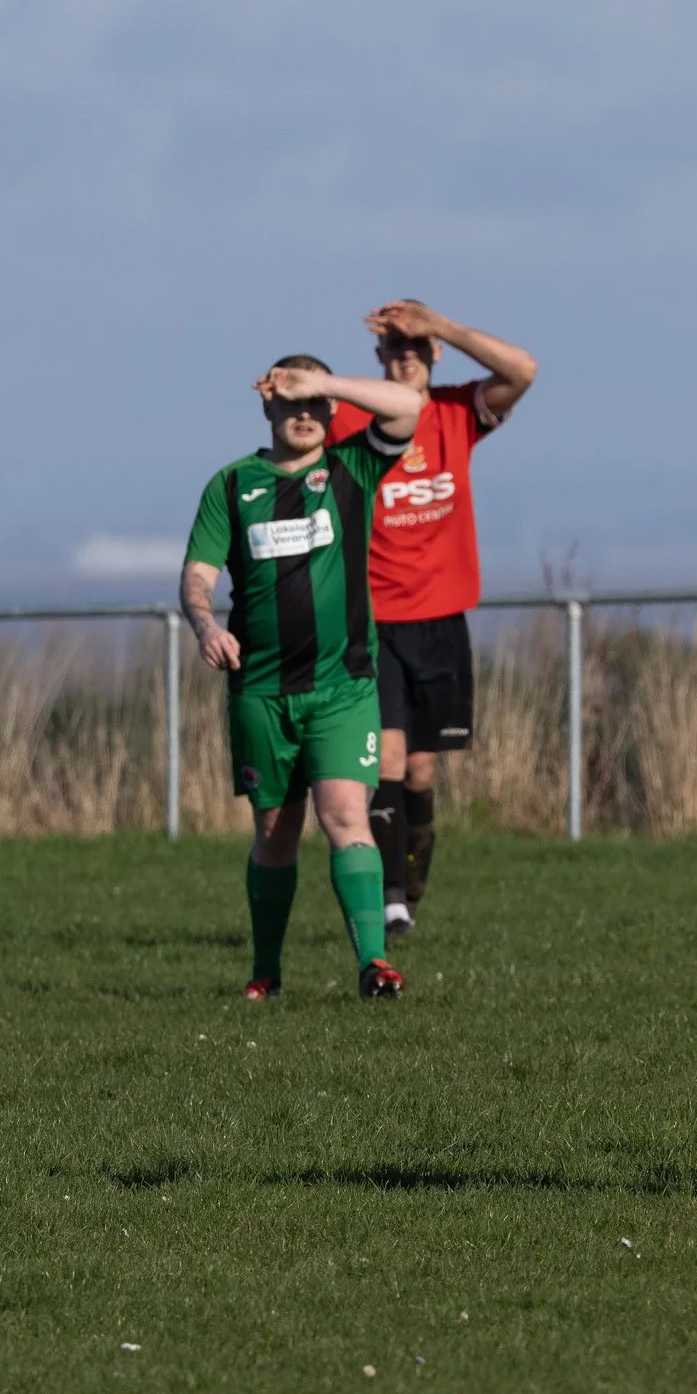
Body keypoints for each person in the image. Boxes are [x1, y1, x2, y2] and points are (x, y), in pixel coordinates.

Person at [183, 357, 424, 1000]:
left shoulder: (351, 467)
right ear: (266, 407)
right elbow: (198, 577)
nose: (305, 414)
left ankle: (375, 964)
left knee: (346, 815)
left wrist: (327, 384)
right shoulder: (232, 485)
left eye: (314, 402)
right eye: (290, 401)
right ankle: (266, 970)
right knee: (274, 832)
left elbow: (408, 406)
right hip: (261, 691)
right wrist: (206, 626)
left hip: (343, 687)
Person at [325, 301, 539, 937]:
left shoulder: (455, 413)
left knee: (422, 768)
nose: (406, 354)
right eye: (395, 346)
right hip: (373, 622)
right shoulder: (349, 420)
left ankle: (410, 890)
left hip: (442, 620)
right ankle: (389, 898)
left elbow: (523, 370)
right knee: (386, 759)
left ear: (435, 353)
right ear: (378, 357)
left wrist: (440, 323)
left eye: (417, 346)